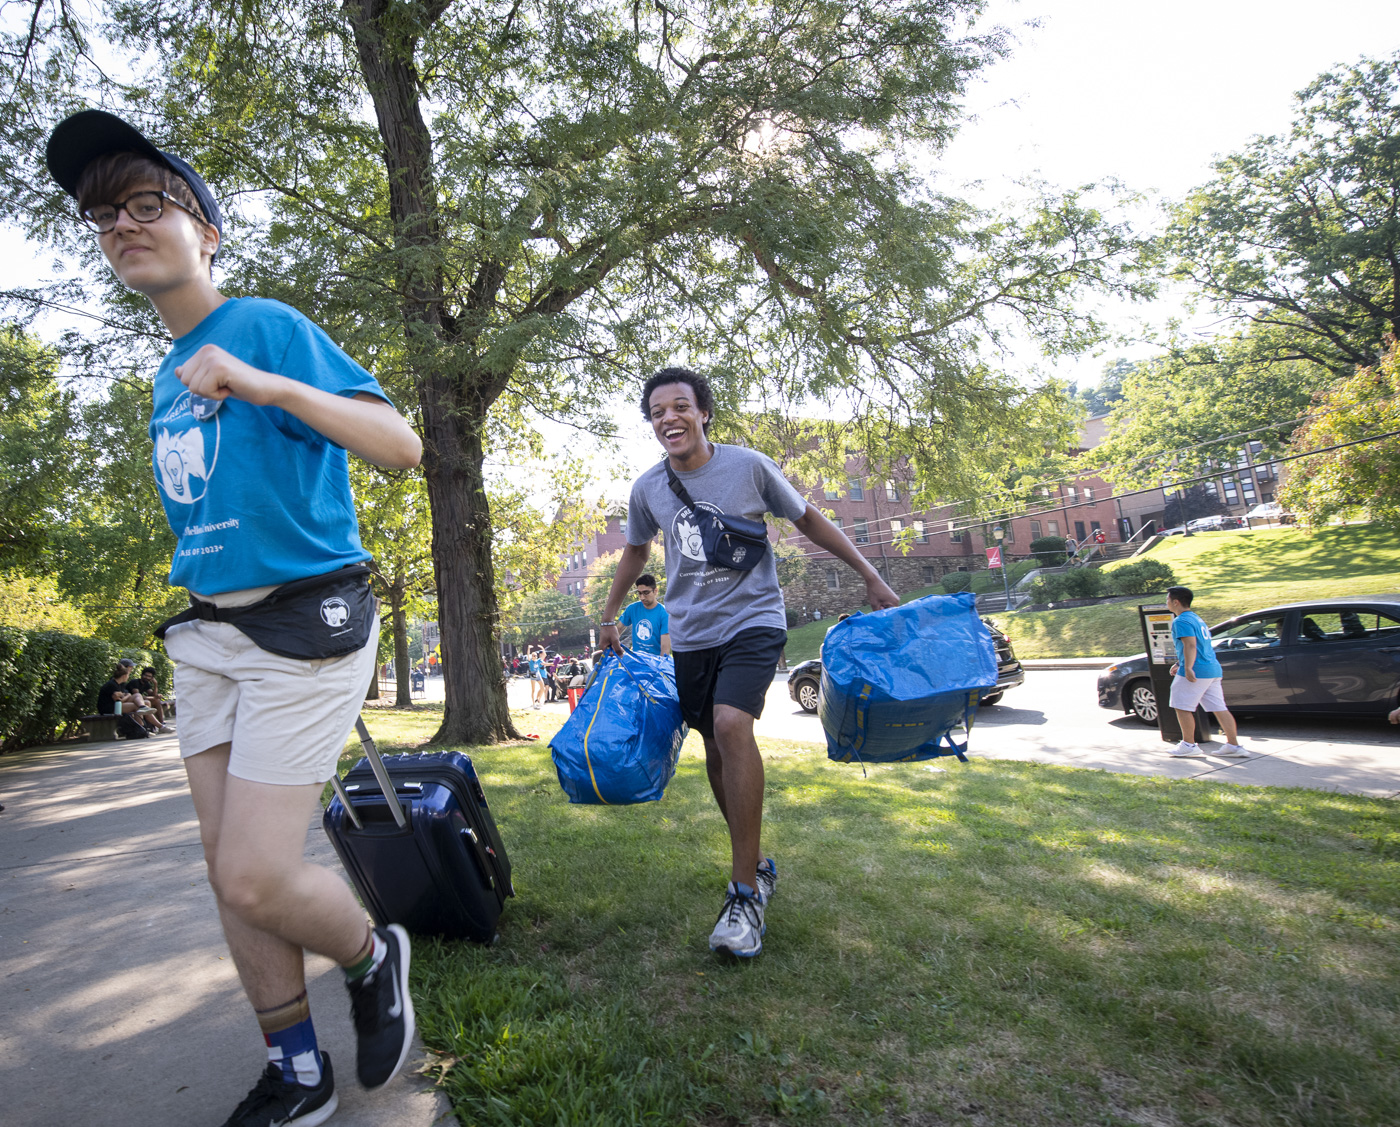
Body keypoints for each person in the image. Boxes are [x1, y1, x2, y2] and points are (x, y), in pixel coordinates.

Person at [46, 110, 423, 1126]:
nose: (120, 223)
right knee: (230, 878)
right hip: (208, 636)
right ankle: (295, 1068)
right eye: (100, 215)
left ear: (205, 229)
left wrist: (262, 382)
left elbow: (399, 445)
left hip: (303, 625)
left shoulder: (260, 325)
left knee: (256, 870)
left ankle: (369, 951)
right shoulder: (162, 378)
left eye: (144, 202)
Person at [600, 367, 899, 958]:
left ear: (703, 412)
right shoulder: (648, 489)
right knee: (714, 746)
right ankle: (756, 862)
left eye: (680, 406)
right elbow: (635, 550)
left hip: (754, 619)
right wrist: (609, 614)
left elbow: (808, 519)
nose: (669, 419)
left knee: (734, 725)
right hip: (690, 635)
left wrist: (870, 574)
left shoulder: (749, 466)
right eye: (658, 412)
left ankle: (743, 894)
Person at [1164, 586, 1249, 759]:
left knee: (1181, 705)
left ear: (1176, 602)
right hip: (1212, 669)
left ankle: (1189, 745)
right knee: (1219, 707)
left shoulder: (1180, 621)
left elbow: (1190, 644)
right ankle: (1234, 745)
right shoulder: (1196, 618)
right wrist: (1180, 662)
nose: (1166, 602)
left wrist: (1187, 667)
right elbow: (1200, 645)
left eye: (1167, 599)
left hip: (1197, 670)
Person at [96, 662, 158, 739]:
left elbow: (123, 696)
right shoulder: (112, 685)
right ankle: (144, 729)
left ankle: (143, 712)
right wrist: (128, 695)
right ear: (124, 676)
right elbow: (119, 701)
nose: (128, 677)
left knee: (141, 699)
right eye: (128, 675)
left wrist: (127, 695)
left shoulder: (120, 684)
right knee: (136, 706)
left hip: (116, 705)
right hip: (108, 708)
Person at [617, 574, 671, 656]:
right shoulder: (632, 608)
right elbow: (618, 629)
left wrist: (658, 667)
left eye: (646, 593)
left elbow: (665, 650)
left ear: (655, 591)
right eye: (639, 593)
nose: (642, 597)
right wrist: (615, 647)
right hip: (637, 660)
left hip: (656, 662)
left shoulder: (665, 614)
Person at [133, 665, 173, 730]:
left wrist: (155, 684)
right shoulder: (135, 682)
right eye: (145, 675)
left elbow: (153, 694)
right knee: (150, 701)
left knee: (157, 701)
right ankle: (145, 727)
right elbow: (137, 696)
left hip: (141, 701)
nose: (147, 677)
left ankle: (161, 722)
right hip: (134, 701)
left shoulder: (146, 684)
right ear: (142, 675)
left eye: (149, 676)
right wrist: (154, 697)